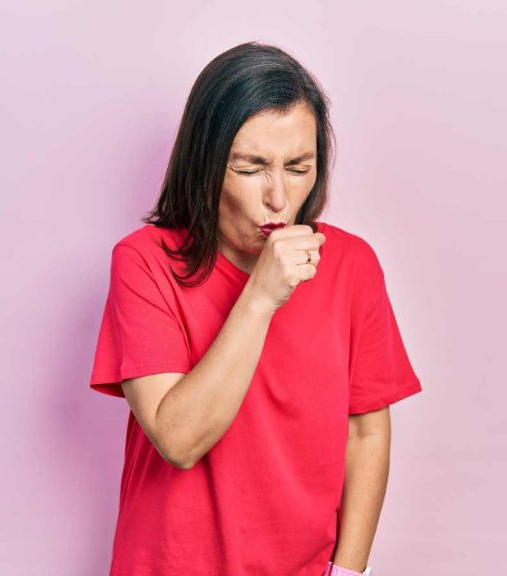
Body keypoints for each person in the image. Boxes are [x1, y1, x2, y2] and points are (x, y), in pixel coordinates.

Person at [88, 42, 422, 576]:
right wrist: (262, 296)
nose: (278, 198)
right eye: (250, 168)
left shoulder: (353, 265)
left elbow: (366, 432)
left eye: (298, 167)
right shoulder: (143, 262)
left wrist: (348, 572)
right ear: (205, 162)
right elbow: (178, 439)